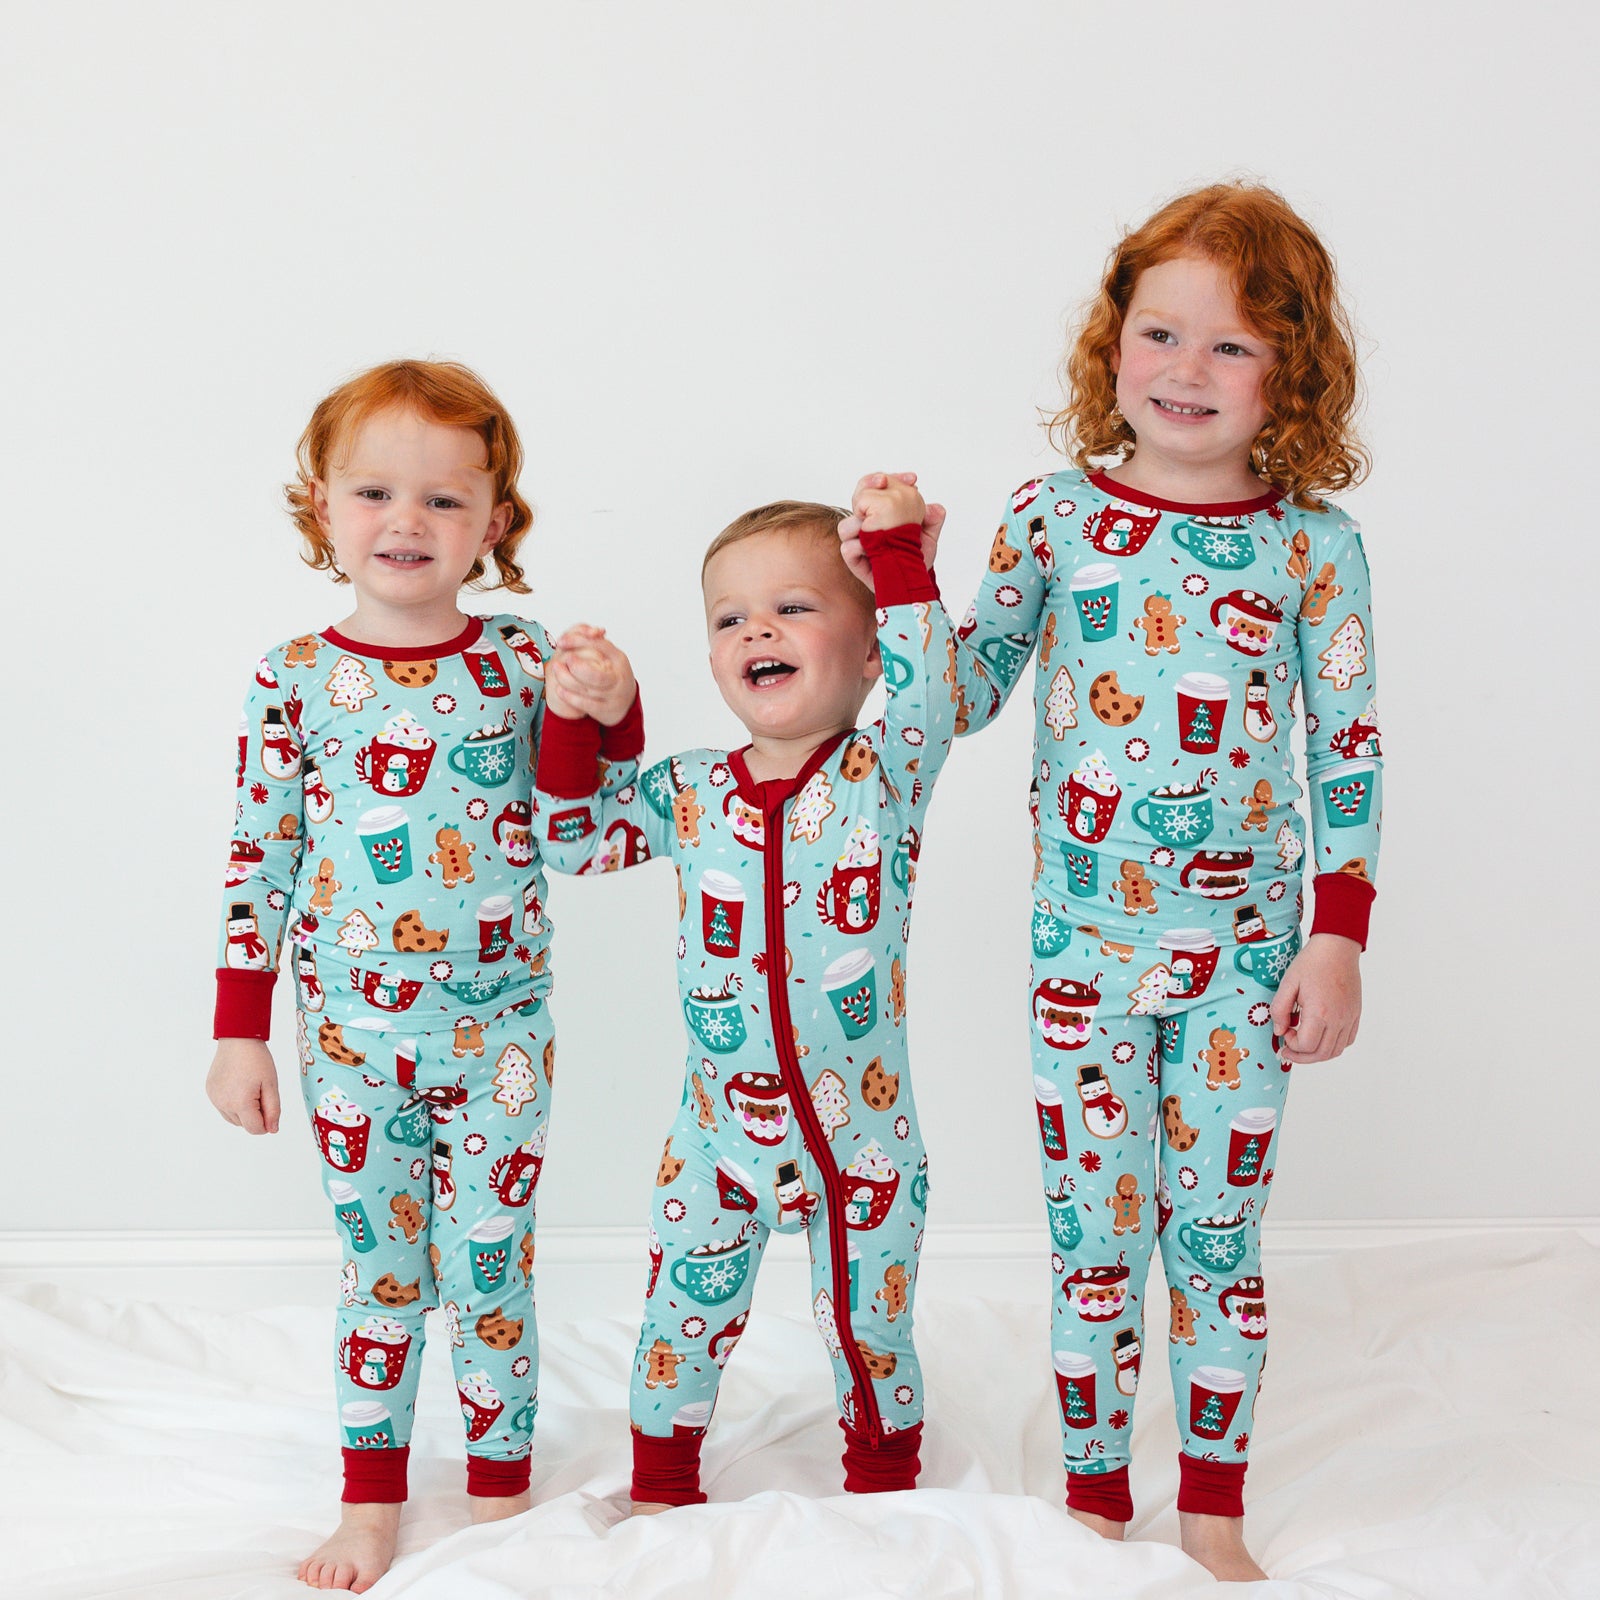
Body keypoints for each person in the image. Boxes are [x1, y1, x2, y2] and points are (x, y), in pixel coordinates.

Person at [941, 182, 1383, 1580]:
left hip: (1250, 959)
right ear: (1111, 344)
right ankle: (1088, 1496)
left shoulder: (1314, 549)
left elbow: (1350, 750)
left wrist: (1339, 938)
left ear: (1292, 375)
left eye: (1235, 346)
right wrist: (896, 574)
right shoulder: (1053, 517)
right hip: (1082, 954)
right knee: (1095, 1238)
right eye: (1161, 334)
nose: (1188, 371)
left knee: (1216, 1236)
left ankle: (1210, 1509)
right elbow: (959, 696)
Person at [204, 359, 639, 1593]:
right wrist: (243, 1030)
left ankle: (501, 1479)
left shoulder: (519, 657)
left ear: (493, 524)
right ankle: (370, 1498)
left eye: (445, 501)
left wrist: (607, 703)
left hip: (500, 1029)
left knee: (495, 1255)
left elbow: (581, 798)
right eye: (376, 492)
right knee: (382, 1269)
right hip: (348, 1039)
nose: (408, 522)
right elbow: (258, 859)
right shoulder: (292, 678)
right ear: (322, 507)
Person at [533, 484, 953, 1510]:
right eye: (730, 619)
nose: (757, 629)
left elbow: (935, 687)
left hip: (864, 1140)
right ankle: (662, 1482)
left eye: (796, 607)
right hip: (718, 1134)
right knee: (681, 1306)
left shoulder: (884, 773)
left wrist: (896, 557)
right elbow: (572, 836)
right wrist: (592, 716)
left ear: (869, 654)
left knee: (868, 1320)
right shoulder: (690, 789)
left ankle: (885, 1482)